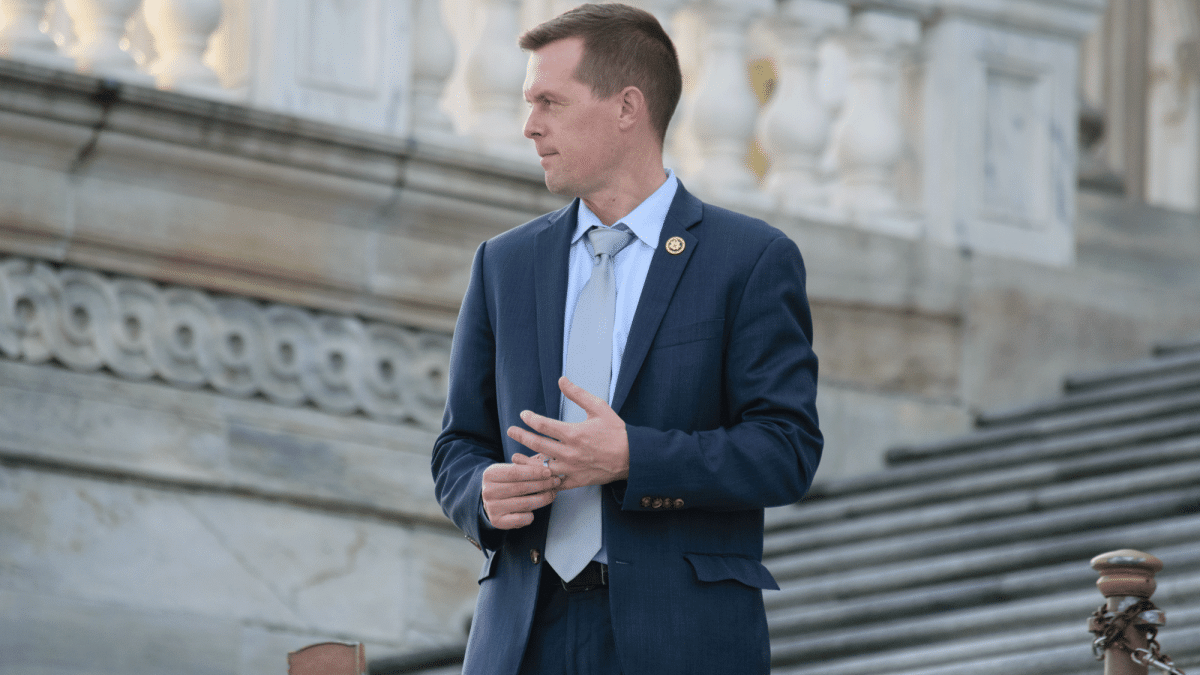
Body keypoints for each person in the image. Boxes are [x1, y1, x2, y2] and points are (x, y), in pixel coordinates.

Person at [431, 4, 822, 674]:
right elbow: (457, 446)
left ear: (626, 107)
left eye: (550, 101)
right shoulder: (504, 263)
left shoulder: (749, 259)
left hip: (682, 640)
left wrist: (633, 456)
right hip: (522, 638)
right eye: (529, 103)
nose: (530, 125)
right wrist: (482, 492)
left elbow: (786, 449)